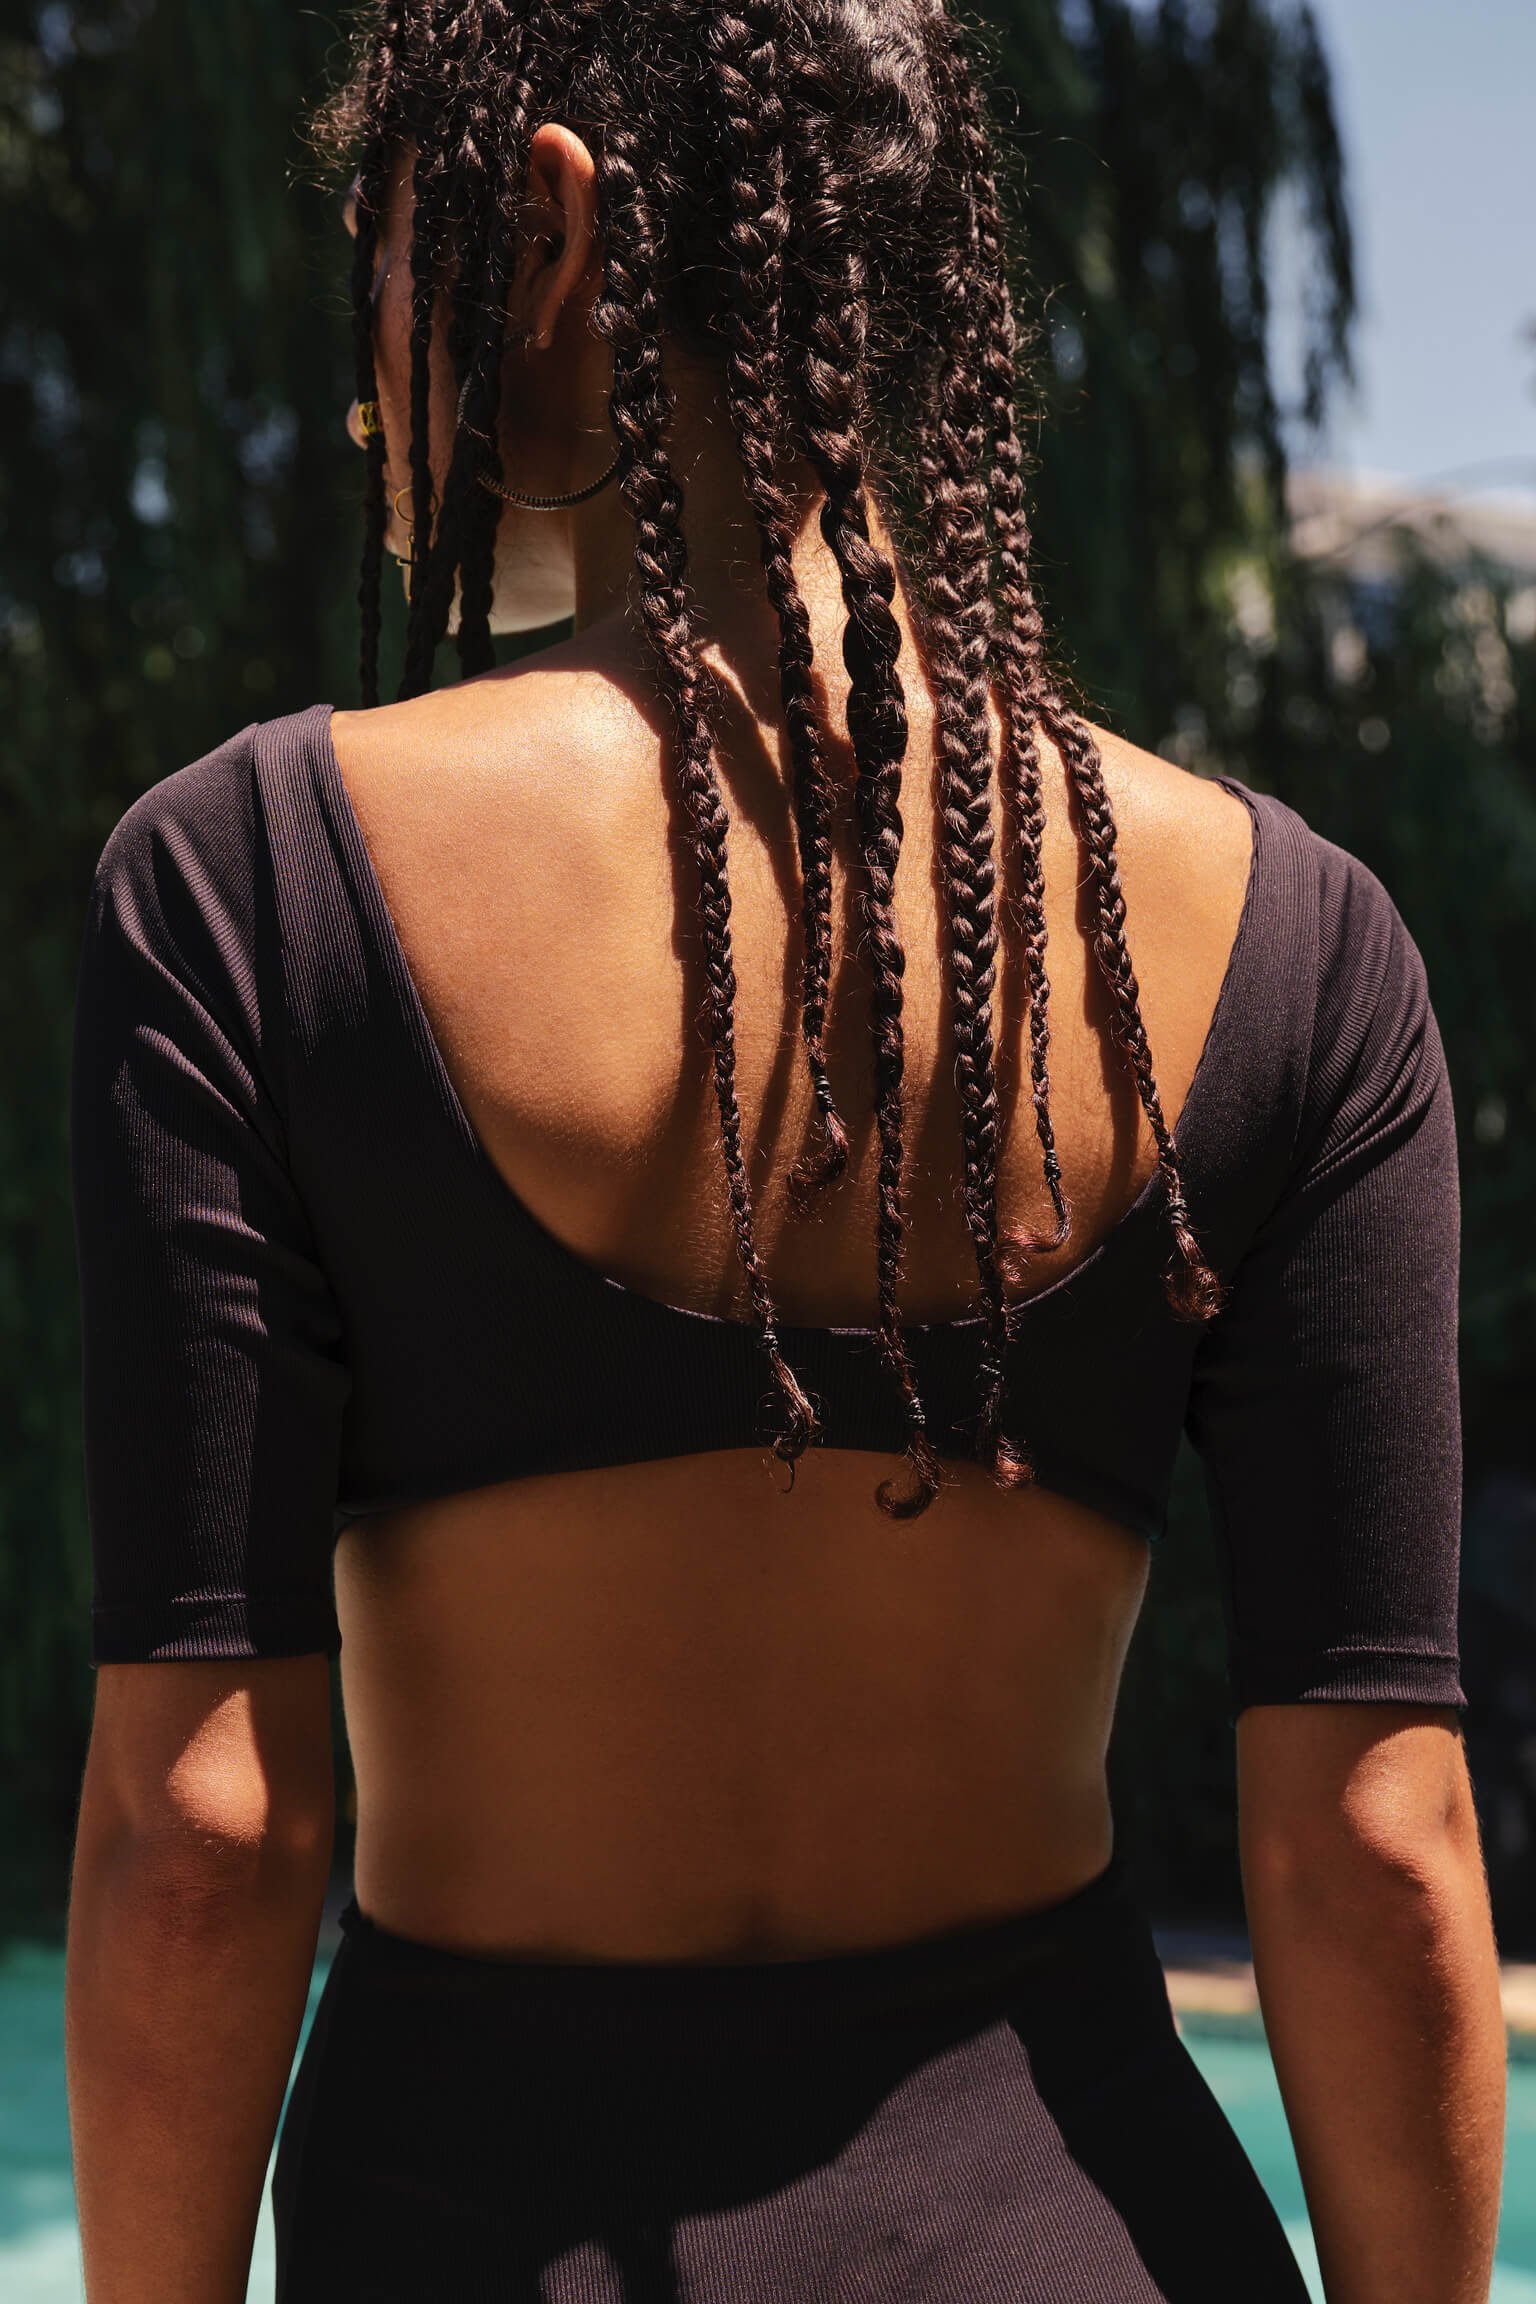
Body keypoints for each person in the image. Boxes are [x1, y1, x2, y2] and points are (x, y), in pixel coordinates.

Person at [62, 4, 1506, 2301]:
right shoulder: (1288, 941)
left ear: (540, 218)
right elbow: (1379, 1852)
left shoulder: (255, 879)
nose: (368, 369)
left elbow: (208, 1836)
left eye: (391, 256)